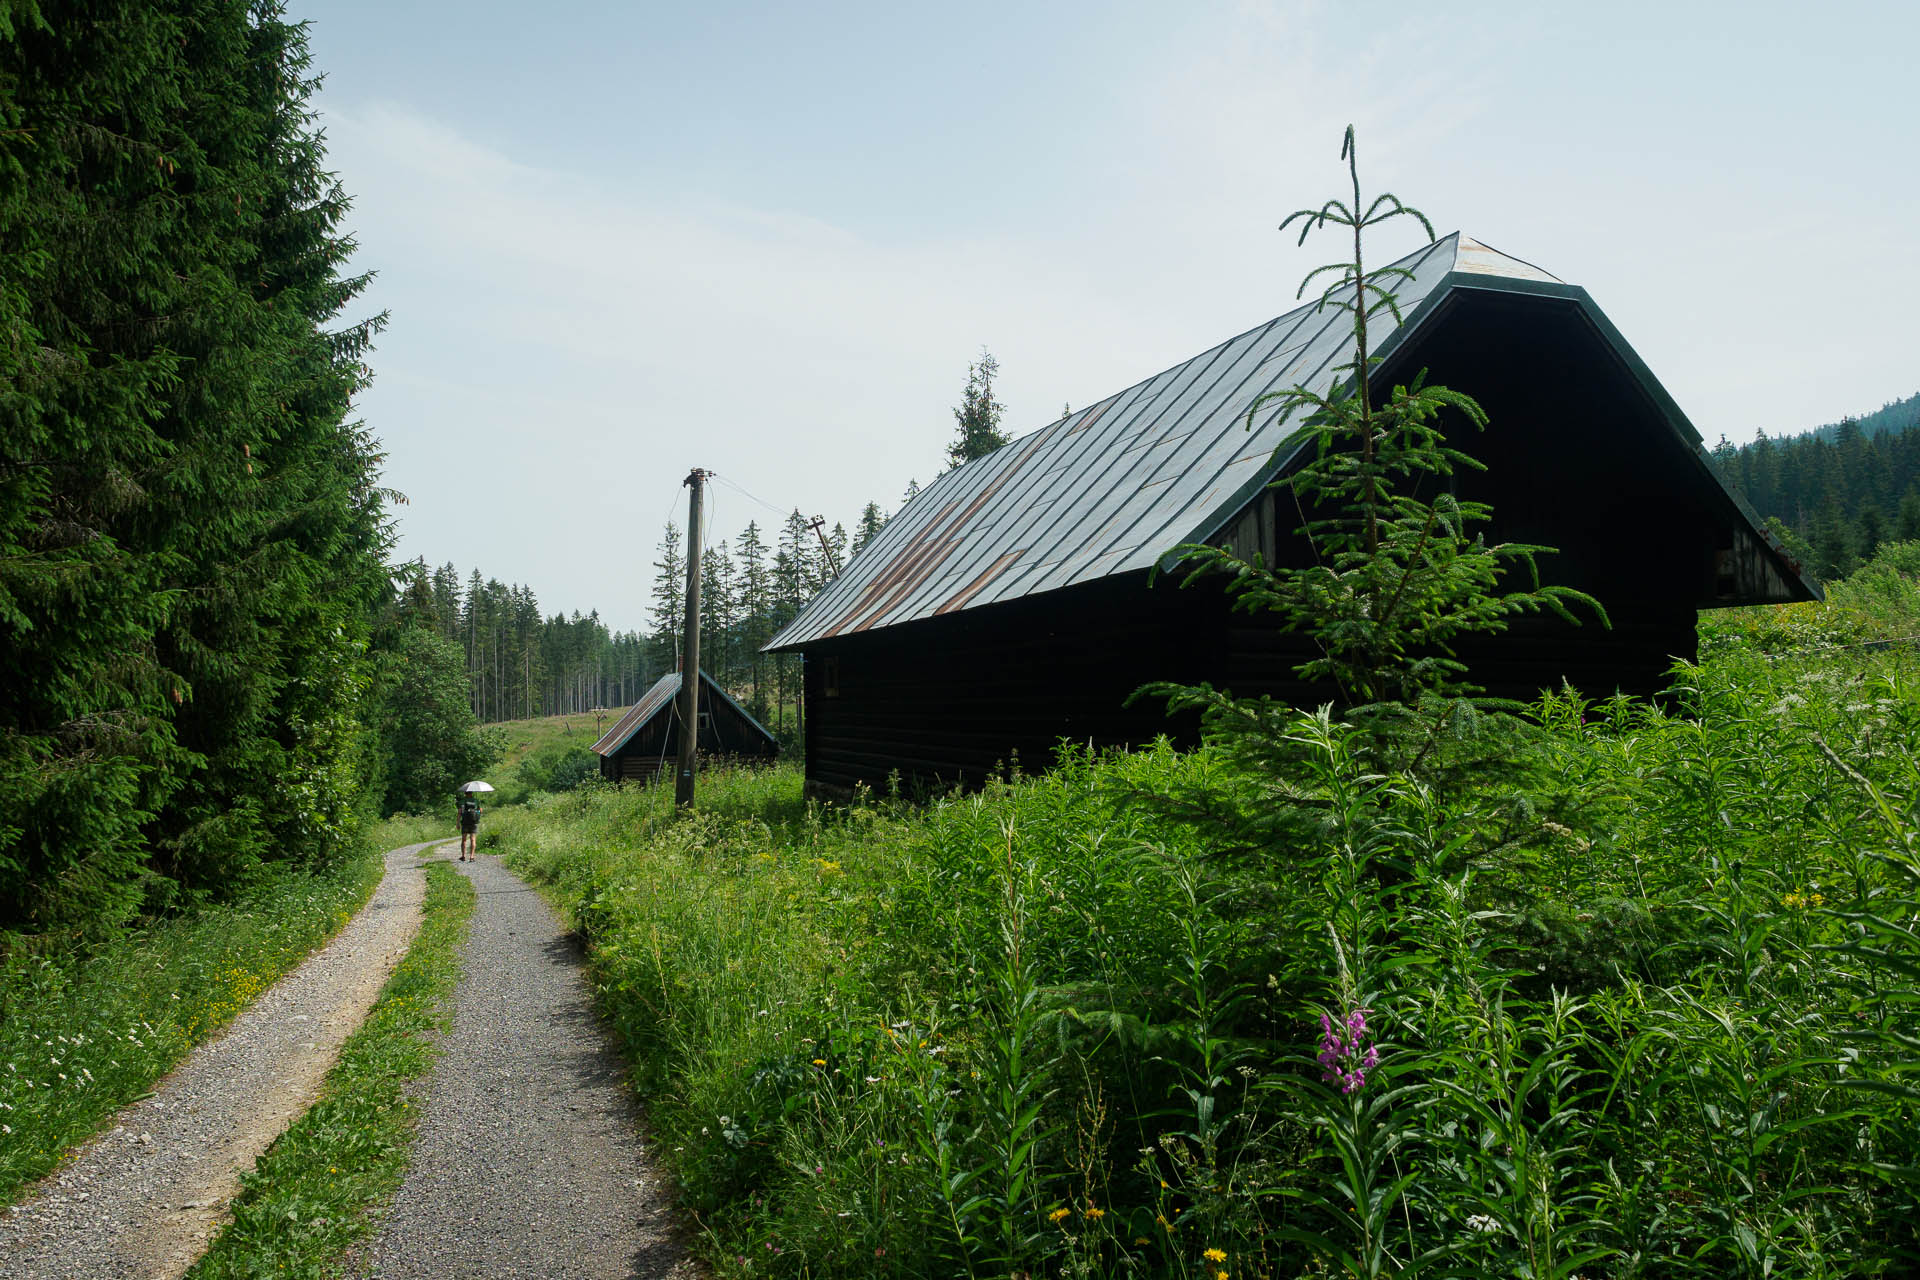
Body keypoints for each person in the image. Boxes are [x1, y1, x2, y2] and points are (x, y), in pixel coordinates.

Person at [456, 793, 480, 860]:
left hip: (465, 822)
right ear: (472, 793)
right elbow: (480, 811)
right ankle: (471, 856)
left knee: (464, 840)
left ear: (465, 793)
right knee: (473, 839)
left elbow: (459, 812)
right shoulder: (476, 801)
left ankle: (463, 856)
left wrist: (457, 823)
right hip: (473, 822)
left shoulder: (462, 801)